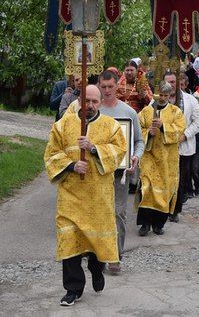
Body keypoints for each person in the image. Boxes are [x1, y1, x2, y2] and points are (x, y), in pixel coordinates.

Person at [44, 85, 126, 307]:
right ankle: (73, 289)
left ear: (100, 102)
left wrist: (93, 148)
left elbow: (119, 151)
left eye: (94, 102)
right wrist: (71, 166)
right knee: (69, 240)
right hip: (70, 196)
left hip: (98, 197)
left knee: (96, 242)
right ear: (79, 100)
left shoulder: (111, 126)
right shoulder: (63, 124)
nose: (90, 105)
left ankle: (96, 269)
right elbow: (51, 154)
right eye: (86, 100)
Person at [98, 70, 145, 274]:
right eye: (103, 87)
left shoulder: (128, 112)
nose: (107, 90)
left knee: (119, 212)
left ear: (117, 85)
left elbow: (139, 141)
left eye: (111, 86)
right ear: (99, 87)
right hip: (98, 172)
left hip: (120, 173)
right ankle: (98, 254)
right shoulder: (94, 110)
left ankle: (115, 257)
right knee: (99, 212)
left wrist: (135, 157)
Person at [137, 82, 186, 236]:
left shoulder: (175, 112)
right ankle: (145, 224)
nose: (162, 98)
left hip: (167, 159)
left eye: (166, 95)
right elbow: (137, 131)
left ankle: (158, 224)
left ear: (170, 95)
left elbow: (180, 131)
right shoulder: (146, 111)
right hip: (149, 156)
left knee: (164, 192)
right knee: (147, 188)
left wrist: (163, 126)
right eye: (160, 95)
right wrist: (148, 133)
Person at [164, 71, 199, 222]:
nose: (171, 85)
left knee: (179, 180)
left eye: (173, 82)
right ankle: (162, 209)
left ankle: (175, 210)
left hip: (183, 147)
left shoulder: (190, 100)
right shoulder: (157, 99)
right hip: (163, 148)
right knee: (163, 179)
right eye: (168, 82)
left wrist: (185, 135)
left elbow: (197, 122)